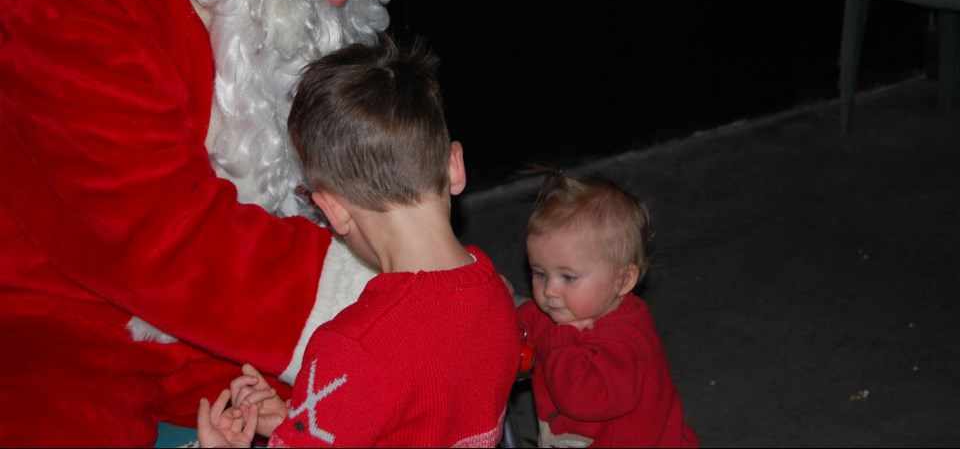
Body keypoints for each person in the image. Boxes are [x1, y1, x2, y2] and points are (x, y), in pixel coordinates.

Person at [0, 0, 414, 446]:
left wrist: (426, 273)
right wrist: (385, 298)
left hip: (226, 311)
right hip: (54, 309)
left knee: (407, 401)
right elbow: (158, 235)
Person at [196, 34, 523, 448]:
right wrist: (298, 422)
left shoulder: (354, 347)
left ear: (333, 211)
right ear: (454, 166)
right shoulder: (497, 294)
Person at [517, 168, 699, 448]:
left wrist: (560, 339)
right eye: (539, 273)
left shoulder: (624, 341)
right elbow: (516, 324)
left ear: (622, 280)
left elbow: (582, 399)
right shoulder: (558, 310)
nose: (550, 291)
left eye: (568, 277)